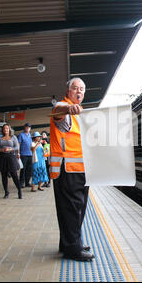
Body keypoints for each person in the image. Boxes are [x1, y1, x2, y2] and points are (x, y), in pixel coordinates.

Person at [49, 77, 94, 261]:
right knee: (72, 209)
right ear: (68, 91)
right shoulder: (63, 106)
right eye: (75, 88)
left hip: (80, 169)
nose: (79, 92)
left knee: (77, 209)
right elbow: (58, 112)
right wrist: (68, 108)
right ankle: (73, 249)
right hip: (67, 169)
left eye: (82, 89)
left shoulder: (81, 112)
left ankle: (70, 242)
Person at [0, 123, 22, 199]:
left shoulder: (13, 137)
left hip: (11, 157)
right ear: (2, 130)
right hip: (3, 157)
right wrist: (1, 149)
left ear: (9, 129)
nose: (5, 130)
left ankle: (19, 191)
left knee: (14, 175)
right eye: (4, 129)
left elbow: (17, 146)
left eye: (7, 128)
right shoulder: (0, 138)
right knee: (4, 176)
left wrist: (11, 149)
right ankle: (6, 192)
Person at [18, 123, 33, 188]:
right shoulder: (21, 135)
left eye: (29, 127)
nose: (27, 128)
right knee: (23, 169)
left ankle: (27, 182)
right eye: (26, 127)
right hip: (23, 154)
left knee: (29, 169)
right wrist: (18, 153)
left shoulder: (30, 135)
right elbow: (19, 144)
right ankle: (21, 182)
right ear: (24, 128)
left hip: (30, 154)